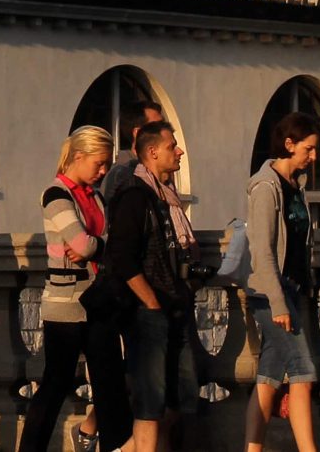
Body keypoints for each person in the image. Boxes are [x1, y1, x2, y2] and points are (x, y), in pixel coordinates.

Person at [20, 126, 131, 452]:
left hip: (98, 300)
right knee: (56, 385)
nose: (103, 171)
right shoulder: (55, 194)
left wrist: (96, 246)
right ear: (78, 156)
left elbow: (90, 245)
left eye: (107, 165)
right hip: (66, 304)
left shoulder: (94, 195)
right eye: (99, 163)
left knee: (110, 386)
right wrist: (98, 246)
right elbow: (82, 245)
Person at [107, 119, 203, 452]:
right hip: (149, 313)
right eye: (171, 146)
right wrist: (150, 302)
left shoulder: (167, 197)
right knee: (150, 404)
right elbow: (121, 256)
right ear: (152, 152)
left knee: (180, 400)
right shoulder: (135, 196)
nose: (179, 151)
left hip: (174, 306)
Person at [244, 114, 320, 452]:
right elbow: (262, 250)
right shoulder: (266, 186)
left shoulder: (295, 185)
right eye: (309, 149)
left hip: (291, 288)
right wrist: (278, 303)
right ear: (288, 145)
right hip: (272, 294)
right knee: (303, 374)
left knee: (268, 379)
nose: (314, 156)